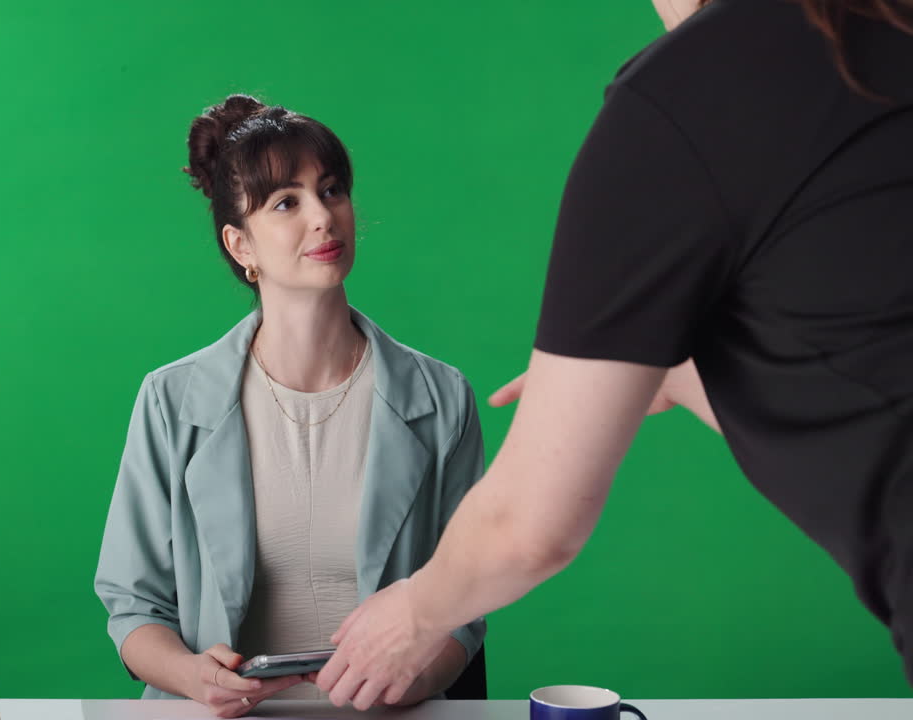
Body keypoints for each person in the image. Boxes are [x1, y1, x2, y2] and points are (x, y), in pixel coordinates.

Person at [315, 0, 913, 709]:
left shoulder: (690, 97)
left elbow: (528, 528)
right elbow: (864, 374)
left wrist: (412, 613)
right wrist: (671, 376)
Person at [93, 94, 487, 717]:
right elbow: (134, 606)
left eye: (331, 190)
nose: (323, 218)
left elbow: (465, 607)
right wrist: (193, 675)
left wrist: (409, 680)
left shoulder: (441, 399)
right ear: (240, 244)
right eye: (286, 203)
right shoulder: (170, 400)